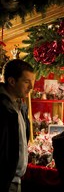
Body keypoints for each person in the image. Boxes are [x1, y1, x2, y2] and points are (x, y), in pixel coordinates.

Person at [0, 59, 35, 192]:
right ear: (12, 81)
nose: (31, 87)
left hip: (16, 180)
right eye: (26, 82)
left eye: (33, 82)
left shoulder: (21, 107)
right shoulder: (3, 108)